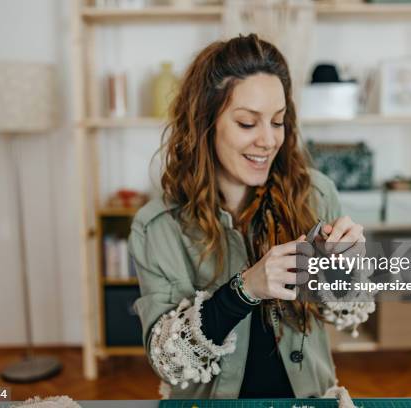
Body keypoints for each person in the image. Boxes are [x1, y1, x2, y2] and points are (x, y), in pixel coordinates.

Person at [129, 33, 374, 400]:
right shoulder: (158, 226)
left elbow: (349, 310)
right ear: (204, 124)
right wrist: (245, 290)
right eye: (247, 123)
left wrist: (345, 269)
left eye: (277, 122)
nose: (268, 140)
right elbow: (167, 360)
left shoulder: (316, 194)